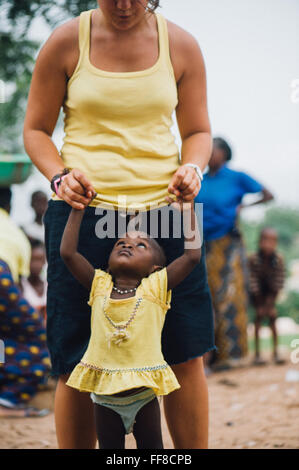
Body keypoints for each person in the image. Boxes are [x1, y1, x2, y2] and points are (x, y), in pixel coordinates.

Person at [24, 0, 215, 449]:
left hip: (168, 210)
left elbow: (197, 132)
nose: (125, 6)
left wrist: (194, 169)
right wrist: (59, 176)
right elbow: (36, 130)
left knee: (184, 351)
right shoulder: (66, 42)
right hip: (82, 213)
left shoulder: (181, 45)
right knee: (75, 359)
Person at [60, 201, 201, 449]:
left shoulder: (155, 287)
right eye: (121, 243)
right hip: (104, 398)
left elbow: (192, 256)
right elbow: (68, 254)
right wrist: (77, 209)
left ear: (155, 268)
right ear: (108, 262)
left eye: (140, 245)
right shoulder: (100, 284)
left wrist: (188, 209)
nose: (128, 245)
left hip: (142, 395)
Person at [196, 137, 274, 371]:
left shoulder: (236, 177)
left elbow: (268, 194)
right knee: (206, 297)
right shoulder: (201, 179)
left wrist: (244, 207)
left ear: (224, 154)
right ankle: (210, 356)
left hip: (228, 243)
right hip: (202, 244)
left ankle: (232, 355)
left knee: (229, 295)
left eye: (213, 150)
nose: (209, 154)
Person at [0, 188, 50, 417]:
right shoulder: (15, 233)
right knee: (35, 335)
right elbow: (16, 289)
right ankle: (9, 399)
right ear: (9, 206)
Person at [248, 227, 285, 365]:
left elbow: (279, 282)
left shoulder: (279, 260)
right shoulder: (254, 259)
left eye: (272, 241)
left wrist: (270, 304)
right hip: (257, 296)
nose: (268, 244)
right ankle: (257, 354)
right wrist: (259, 304)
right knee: (258, 318)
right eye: (265, 240)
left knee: (272, 317)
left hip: (270, 295)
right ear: (260, 241)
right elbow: (252, 282)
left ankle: (275, 352)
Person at [21, 239, 47, 323]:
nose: (37, 264)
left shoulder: (49, 285)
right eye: (33, 260)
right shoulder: (20, 285)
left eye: (40, 259)